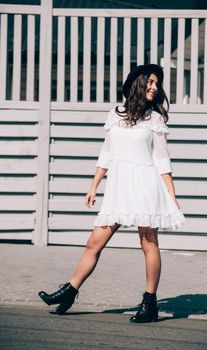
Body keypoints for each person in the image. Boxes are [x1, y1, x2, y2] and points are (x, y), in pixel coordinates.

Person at [38, 64, 185, 323]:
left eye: (157, 83)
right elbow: (107, 153)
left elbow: (163, 161)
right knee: (95, 242)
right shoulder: (115, 114)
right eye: (150, 82)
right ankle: (69, 291)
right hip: (119, 187)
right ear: (138, 84)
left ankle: (149, 303)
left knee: (148, 244)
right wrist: (94, 185)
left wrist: (172, 196)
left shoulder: (155, 120)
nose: (155, 86)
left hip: (145, 187)